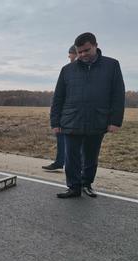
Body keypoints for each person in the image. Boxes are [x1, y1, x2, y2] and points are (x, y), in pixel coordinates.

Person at [50, 32, 125, 198]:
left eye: (86, 50)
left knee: (91, 156)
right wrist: (55, 122)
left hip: (97, 119)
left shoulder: (112, 65)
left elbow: (118, 95)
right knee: (72, 158)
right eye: (79, 52)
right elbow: (58, 97)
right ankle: (73, 187)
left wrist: (115, 121)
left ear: (95, 45)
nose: (82, 55)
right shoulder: (67, 70)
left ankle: (86, 184)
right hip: (71, 120)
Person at [43, 45, 78, 171]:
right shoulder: (67, 70)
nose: (69, 56)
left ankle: (73, 167)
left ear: (77, 53)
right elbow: (60, 95)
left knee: (74, 143)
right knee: (61, 138)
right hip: (64, 114)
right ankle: (60, 162)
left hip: (73, 115)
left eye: (71, 54)